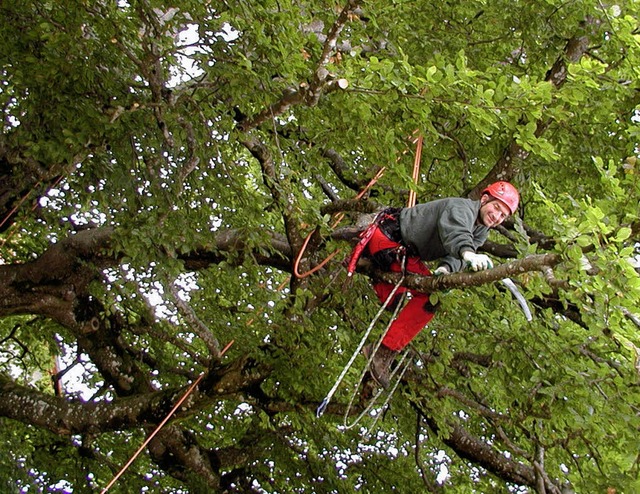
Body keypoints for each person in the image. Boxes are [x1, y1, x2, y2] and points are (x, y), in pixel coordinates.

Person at [356, 181, 520, 388]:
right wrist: (469, 253)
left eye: (503, 215)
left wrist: (447, 269)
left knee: (398, 304)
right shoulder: (462, 208)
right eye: (496, 208)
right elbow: (456, 232)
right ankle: (381, 352)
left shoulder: (481, 231)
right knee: (429, 300)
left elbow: (458, 255)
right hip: (389, 241)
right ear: (485, 199)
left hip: (397, 251)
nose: (497, 217)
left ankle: (379, 278)